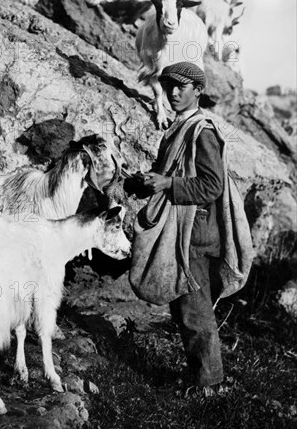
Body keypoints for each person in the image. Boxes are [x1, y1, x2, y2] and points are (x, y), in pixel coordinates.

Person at [129, 61, 253, 397]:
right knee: (187, 310)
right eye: (169, 85)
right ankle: (204, 377)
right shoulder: (178, 128)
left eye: (182, 86)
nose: (173, 92)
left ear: (198, 91)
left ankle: (210, 386)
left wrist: (168, 182)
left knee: (194, 314)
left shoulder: (203, 130)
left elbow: (212, 186)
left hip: (195, 234)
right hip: (185, 229)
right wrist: (149, 182)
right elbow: (175, 175)